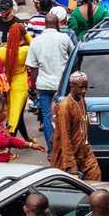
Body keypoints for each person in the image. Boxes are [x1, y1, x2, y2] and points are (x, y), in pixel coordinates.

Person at [26, 12, 76, 151]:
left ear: (45, 25)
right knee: (64, 116)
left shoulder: (36, 41)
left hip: (44, 86)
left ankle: (52, 149)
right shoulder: (64, 38)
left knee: (47, 118)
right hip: (62, 86)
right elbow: (73, 57)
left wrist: (35, 85)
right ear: (57, 24)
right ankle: (66, 147)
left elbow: (32, 67)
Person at [51, 71, 102, 180]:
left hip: (84, 149)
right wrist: (71, 165)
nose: (84, 90)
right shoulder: (65, 106)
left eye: (86, 87)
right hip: (69, 152)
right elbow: (65, 137)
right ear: (72, 86)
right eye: (81, 87)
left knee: (95, 175)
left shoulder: (82, 100)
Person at [0, 94, 45, 162]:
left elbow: (9, 140)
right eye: (3, 111)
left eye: (6, 110)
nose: (6, 113)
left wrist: (30, 145)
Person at [0, 23, 33, 141]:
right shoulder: (24, 51)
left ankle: (26, 138)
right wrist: (25, 33)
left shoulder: (2, 52)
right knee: (16, 117)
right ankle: (9, 142)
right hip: (21, 86)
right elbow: (34, 45)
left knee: (16, 114)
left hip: (8, 84)